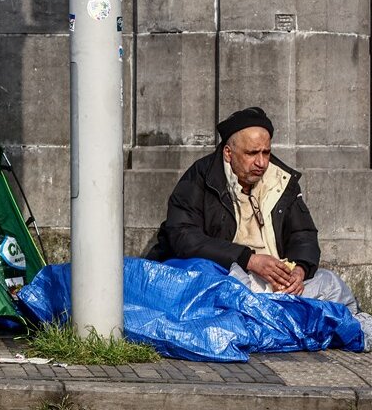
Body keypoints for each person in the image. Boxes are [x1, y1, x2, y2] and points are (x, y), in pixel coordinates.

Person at [146, 106, 372, 347]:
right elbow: (184, 237)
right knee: (219, 291)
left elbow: (303, 234)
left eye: (266, 152)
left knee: (331, 284)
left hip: (275, 284)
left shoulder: (281, 180)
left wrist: (299, 271)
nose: (262, 162)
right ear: (228, 153)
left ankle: (327, 323)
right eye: (252, 153)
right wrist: (249, 259)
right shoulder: (199, 179)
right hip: (227, 277)